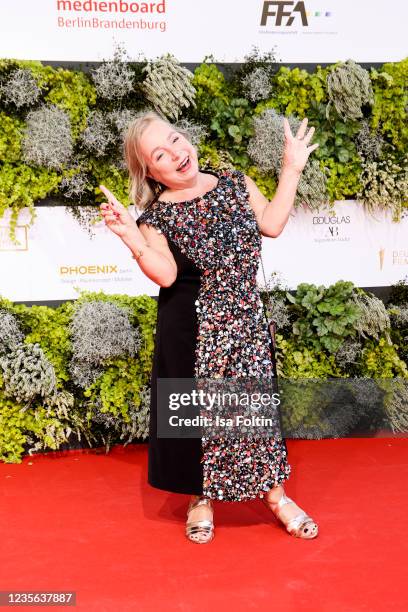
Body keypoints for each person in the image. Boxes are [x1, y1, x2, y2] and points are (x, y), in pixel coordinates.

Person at [99, 109, 320, 544]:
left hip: (244, 321)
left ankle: (276, 497)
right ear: (150, 171)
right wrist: (130, 236)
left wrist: (291, 168)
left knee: (253, 415)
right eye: (160, 154)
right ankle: (200, 498)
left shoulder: (236, 183)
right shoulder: (156, 217)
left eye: (176, 140)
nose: (176, 154)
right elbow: (164, 275)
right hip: (191, 328)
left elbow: (271, 224)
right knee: (195, 420)